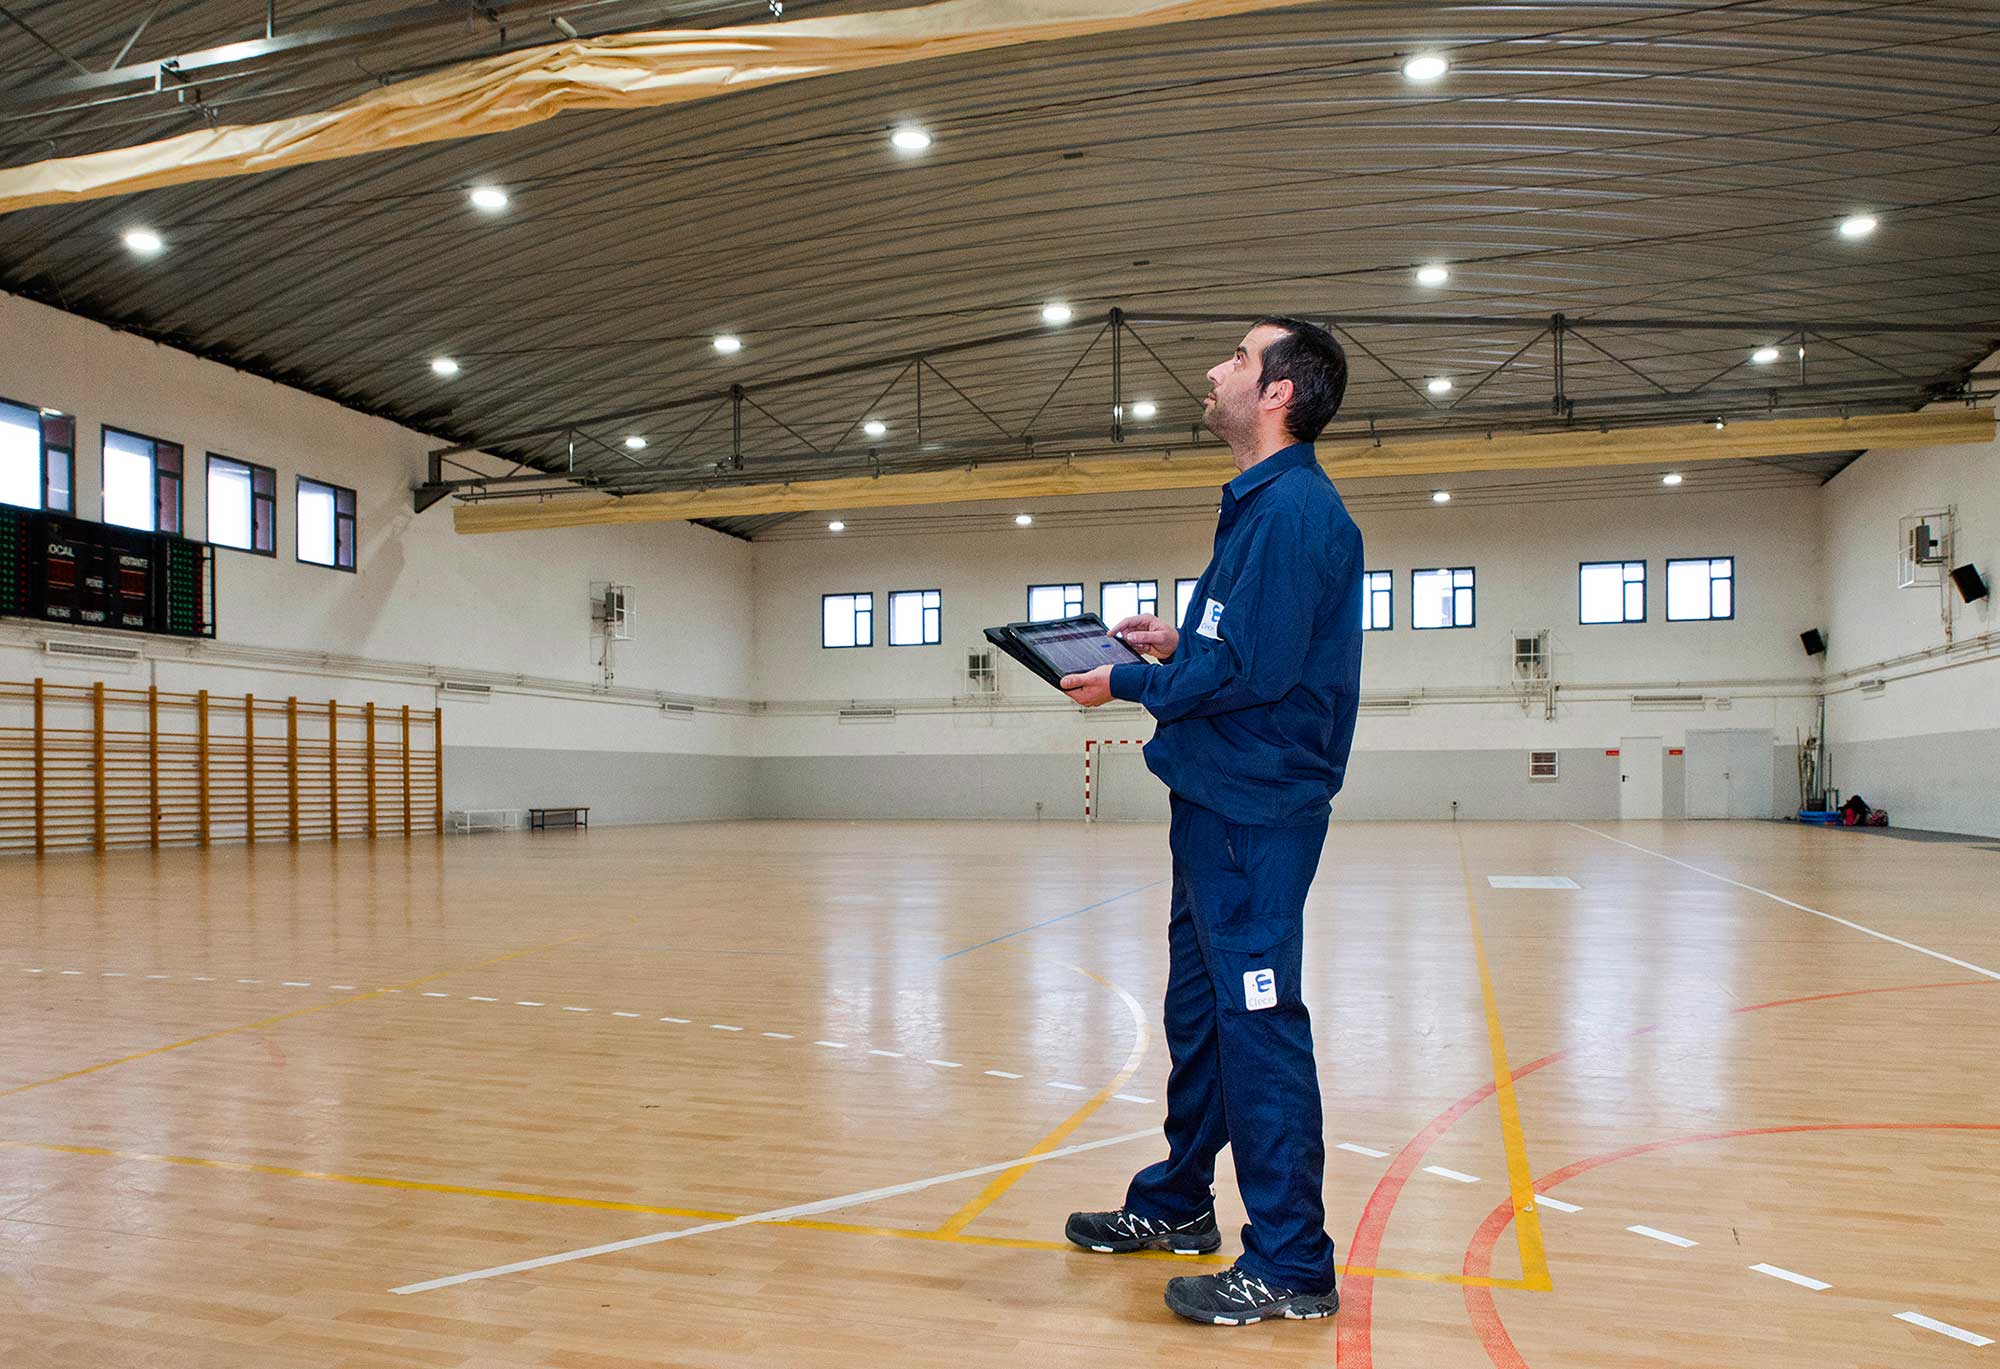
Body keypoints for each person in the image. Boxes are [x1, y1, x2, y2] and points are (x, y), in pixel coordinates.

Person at [1057, 316, 1362, 1327]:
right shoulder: (1261, 508)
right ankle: (1178, 1201)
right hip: (1217, 802)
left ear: (1277, 393)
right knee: (1203, 1017)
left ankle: (1291, 1260)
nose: (1213, 370)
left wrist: (1134, 677)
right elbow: (1236, 650)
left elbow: (1246, 674)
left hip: (1253, 812)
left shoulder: (1294, 514)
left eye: (1234, 357)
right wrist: (1176, 641)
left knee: (1257, 1023)